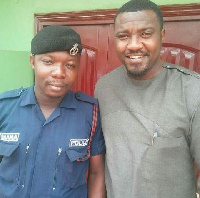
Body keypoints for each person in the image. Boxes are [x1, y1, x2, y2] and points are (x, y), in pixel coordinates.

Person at [94, 0, 200, 197]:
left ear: (161, 35)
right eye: (123, 36)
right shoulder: (104, 87)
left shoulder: (193, 90)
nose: (133, 45)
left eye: (145, 34)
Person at [0, 25, 106, 198]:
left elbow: (96, 174)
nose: (59, 73)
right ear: (32, 62)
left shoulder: (90, 113)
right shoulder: (4, 107)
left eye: (70, 65)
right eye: (48, 62)